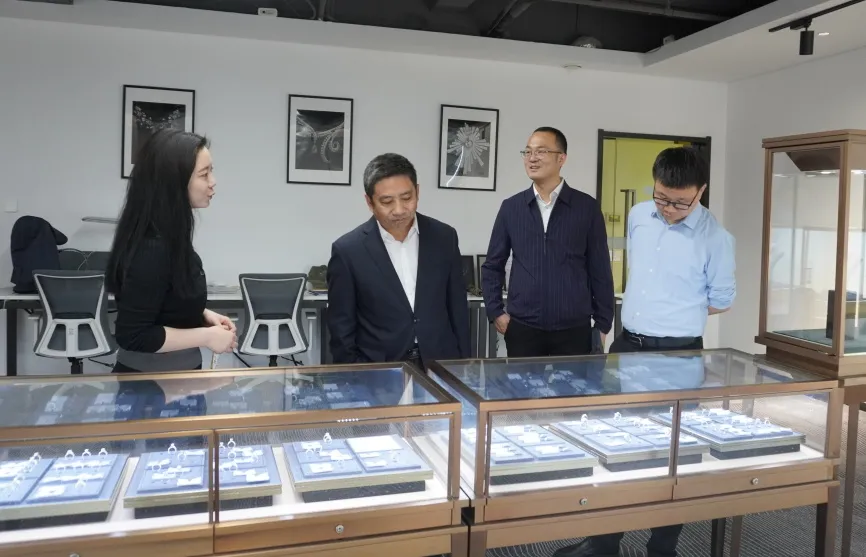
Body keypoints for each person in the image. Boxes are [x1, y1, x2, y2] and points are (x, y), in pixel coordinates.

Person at [553, 146, 736, 557]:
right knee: (612, 443)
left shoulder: (717, 239)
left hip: (679, 356)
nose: (668, 209)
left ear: (701, 191)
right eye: (661, 197)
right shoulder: (638, 215)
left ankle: (662, 547)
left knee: (674, 456)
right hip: (628, 345)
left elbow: (721, 300)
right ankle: (603, 543)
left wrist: (675, 314)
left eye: (680, 202)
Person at [105, 128, 237, 373]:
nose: (213, 182)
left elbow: (162, 301)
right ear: (173, 182)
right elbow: (133, 335)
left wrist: (201, 314)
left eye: (211, 171)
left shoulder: (169, 236)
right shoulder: (152, 248)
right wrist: (207, 337)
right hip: (151, 384)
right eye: (204, 174)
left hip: (178, 378)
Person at [327, 153, 470, 368]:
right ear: (369, 202)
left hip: (440, 363)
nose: (399, 210)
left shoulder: (444, 237)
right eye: (387, 201)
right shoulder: (348, 251)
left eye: (406, 198)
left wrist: (463, 363)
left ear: (417, 192)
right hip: (379, 369)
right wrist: (355, 372)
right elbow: (341, 328)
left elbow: (457, 308)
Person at [481, 127, 614, 357]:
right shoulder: (512, 208)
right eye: (527, 152)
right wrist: (495, 312)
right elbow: (493, 265)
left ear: (561, 158)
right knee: (522, 383)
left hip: (574, 330)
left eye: (541, 151)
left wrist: (603, 324)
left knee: (574, 383)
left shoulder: (586, 208)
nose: (532, 158)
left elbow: (600, 269)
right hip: (523, 329)